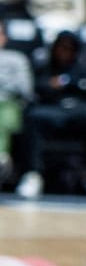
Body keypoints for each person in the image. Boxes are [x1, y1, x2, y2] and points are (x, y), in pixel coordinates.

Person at [18, 29, 86, 201]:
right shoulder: (44, 67)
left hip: (81, 111)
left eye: (70, 48)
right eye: (62, 47)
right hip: (52, 111)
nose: (65, 51)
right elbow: (37, 88)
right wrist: (63, 85)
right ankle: (33, 175)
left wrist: (69, 84)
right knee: (32, 116)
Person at [0, 22, 34, 185]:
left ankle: (2, 157)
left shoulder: (17, 58)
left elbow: (25, 88)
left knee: (4, 115)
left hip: (9, 102)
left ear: (4, 37)